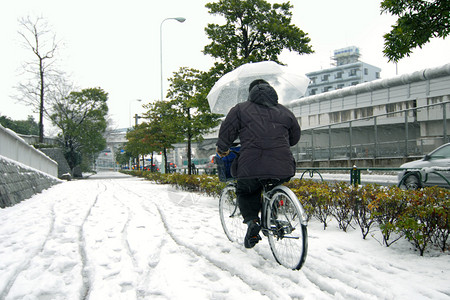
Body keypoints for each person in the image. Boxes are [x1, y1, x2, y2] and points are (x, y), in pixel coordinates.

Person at [216, 79, 301, 248]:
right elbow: (294, 138)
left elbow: (227, 132)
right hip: (282, 165)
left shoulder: (240, 109)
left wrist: (223, 149)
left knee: (246, 190)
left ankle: (253, 221)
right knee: (273, 187)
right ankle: (271, 215)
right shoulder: (285, 112)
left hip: (251, 165)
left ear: (250, 93)